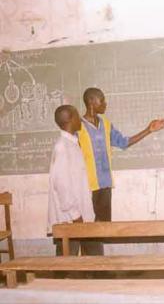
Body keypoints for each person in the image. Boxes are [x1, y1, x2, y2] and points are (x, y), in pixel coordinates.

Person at [78, 87, 164, 255]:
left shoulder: (105, 123)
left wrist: (149, 130)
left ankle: (98, 267)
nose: (105, 104)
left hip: (104, 185)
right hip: (86, 187)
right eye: (102, 100)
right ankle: (91, 269)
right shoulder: (78, 126)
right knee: (86, 230)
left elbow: (124, 142)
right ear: (91, 102)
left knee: (101, 230)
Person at [47, 105, 95, 257]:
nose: (80, 118)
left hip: (77, 216)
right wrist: (76, 215)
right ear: (70, 119)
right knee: (67, 263)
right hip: (70, 218)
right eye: (76, 115)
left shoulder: (72, 143)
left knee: (76, 260)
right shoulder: (62, 147)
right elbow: (61, 185)